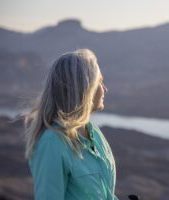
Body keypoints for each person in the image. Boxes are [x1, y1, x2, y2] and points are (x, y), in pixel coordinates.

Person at [23, 49, 119, 200]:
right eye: (99, 82)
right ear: (85, 88)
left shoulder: (94, 133)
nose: (105, 89)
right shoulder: (52, 143)